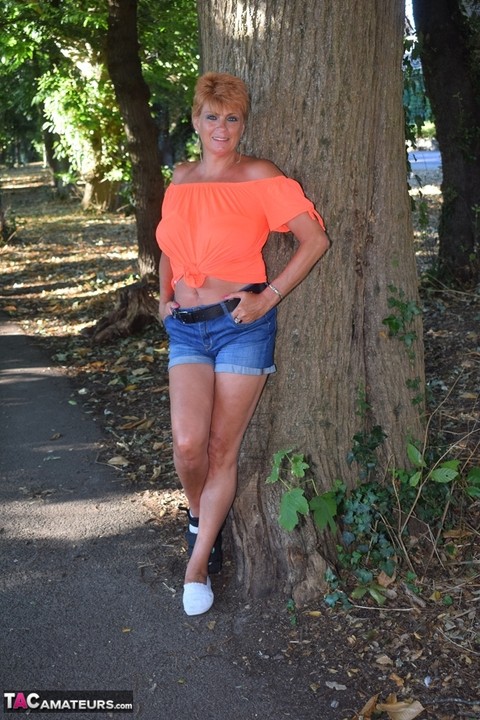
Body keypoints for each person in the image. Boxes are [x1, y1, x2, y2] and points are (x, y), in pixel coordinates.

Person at [155, 72, 330, 616]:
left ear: (243, 123)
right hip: (186, 325)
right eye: (212, 117)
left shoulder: (260, 176)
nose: (222, 128)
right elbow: (167, 244)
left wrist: (270, 296)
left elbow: (314, 239)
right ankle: (199, 516)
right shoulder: (180, 178)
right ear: (195, 121)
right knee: (188, 446)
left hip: (241, 324)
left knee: (219, 450)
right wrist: (163, 297)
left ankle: (198, 563)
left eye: (232, 118)